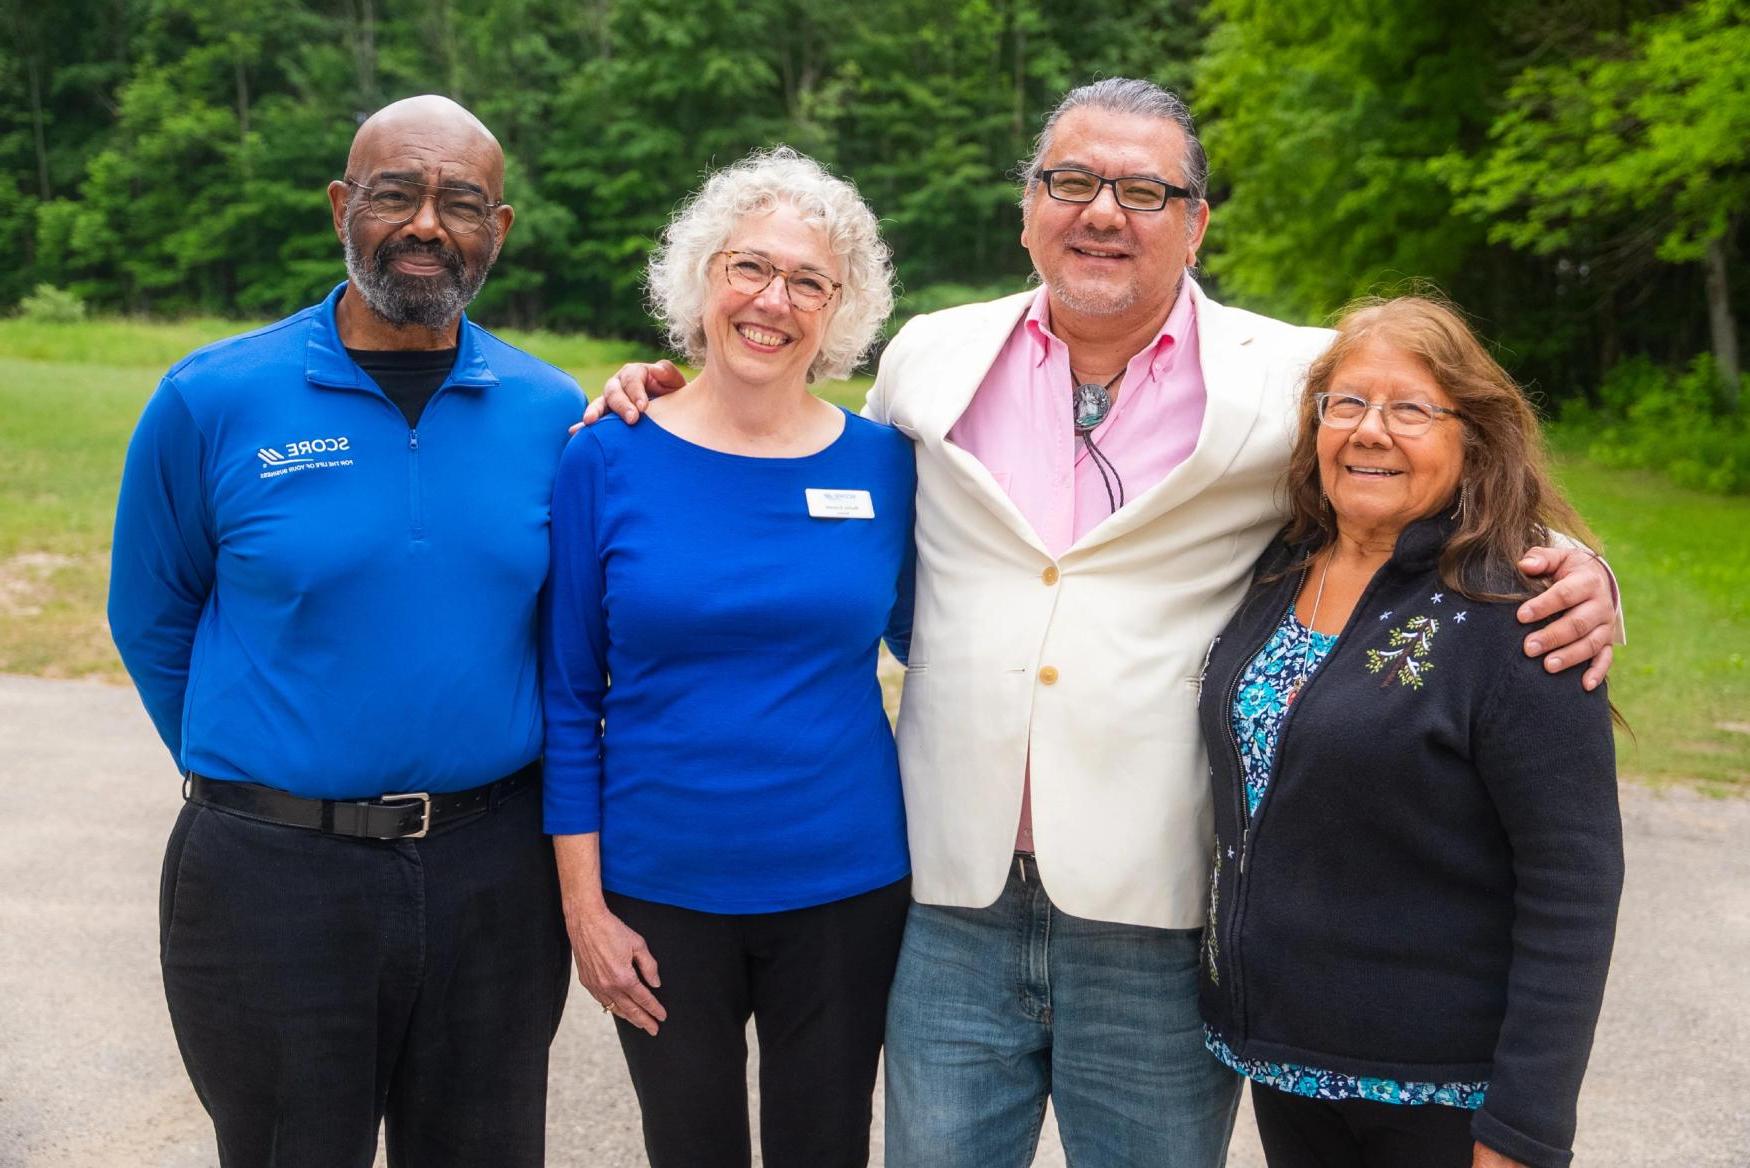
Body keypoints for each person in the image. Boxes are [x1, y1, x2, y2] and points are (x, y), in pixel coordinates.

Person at [590, 79, 1622, 1166]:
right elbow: (784, 444)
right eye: (1072, 181)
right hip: (950, 895)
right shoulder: (927, 358)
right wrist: (664, 397)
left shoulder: (1287, 375)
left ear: (1195, 221)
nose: (1102, 211)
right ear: (1028, 204)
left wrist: (1579, 567)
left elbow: (1432, 448)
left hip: (1158, 905)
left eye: (1143, 189)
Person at [108, 95, 582, 1168]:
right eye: (395, 194)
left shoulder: (550, 414)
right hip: (270, 877)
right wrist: (274, 767)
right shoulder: (212, 398)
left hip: (493, 874)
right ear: (341, 208)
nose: (426, 223)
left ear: (497, 229)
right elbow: (151, 614)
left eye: (460, 200)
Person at [541, 147, 913, 1168]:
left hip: (846, 883)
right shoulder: (604, 454)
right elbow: (569, 698)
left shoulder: (886, 462)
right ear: (700, 277)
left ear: (839, 313)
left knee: (824, 1148)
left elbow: (940, 639)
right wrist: (584, 905)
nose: (772, 300)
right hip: (660, 887)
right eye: (748, 266)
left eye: (808, 282)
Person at [1197, 296, 1623, 1168]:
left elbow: (1574, 883)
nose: (1370, 431)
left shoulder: (1519, 613)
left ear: (1474, 434)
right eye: (1346, 403)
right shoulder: (1281, 566)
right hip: (1292, 1065)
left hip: (1442, 1092)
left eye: (1412, 409)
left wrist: (1524, 1128)